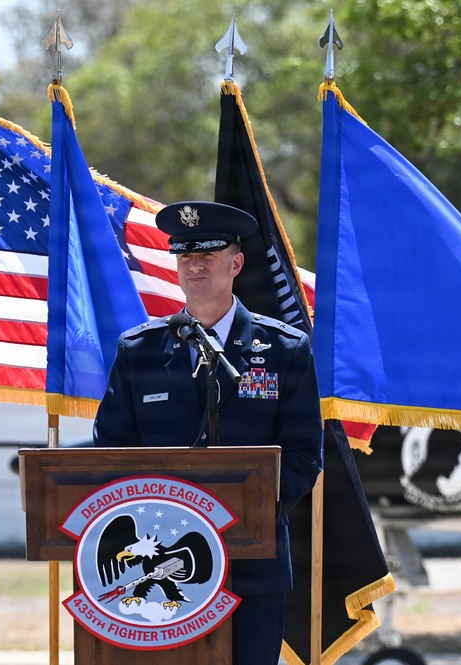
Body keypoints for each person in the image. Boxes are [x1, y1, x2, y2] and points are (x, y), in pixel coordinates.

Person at [93, 201, 324, 665]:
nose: (194, 265)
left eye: (208, 255)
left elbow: (303, 454)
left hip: (250, 563)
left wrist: (241, 511)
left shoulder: (282, 349)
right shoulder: (139, 350)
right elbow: (111, 451)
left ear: (235, 263)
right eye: (184, 256)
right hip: (157, 566)